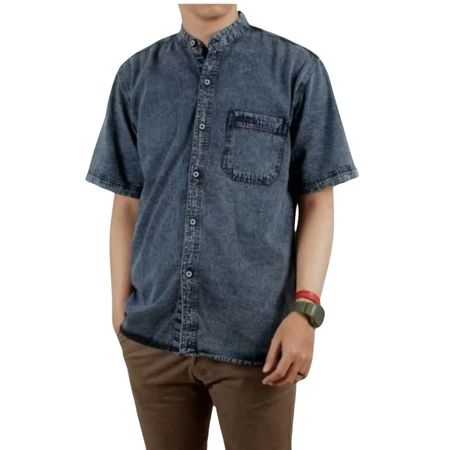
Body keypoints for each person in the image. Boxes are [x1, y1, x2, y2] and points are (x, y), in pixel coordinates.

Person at [85, 4, 359, 449]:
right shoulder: (136, 76)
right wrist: (120, 313)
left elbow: (317, 202)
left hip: (259, 343)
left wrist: (305, 312)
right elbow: (127, 204)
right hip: (153, 336)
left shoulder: (296, 70)